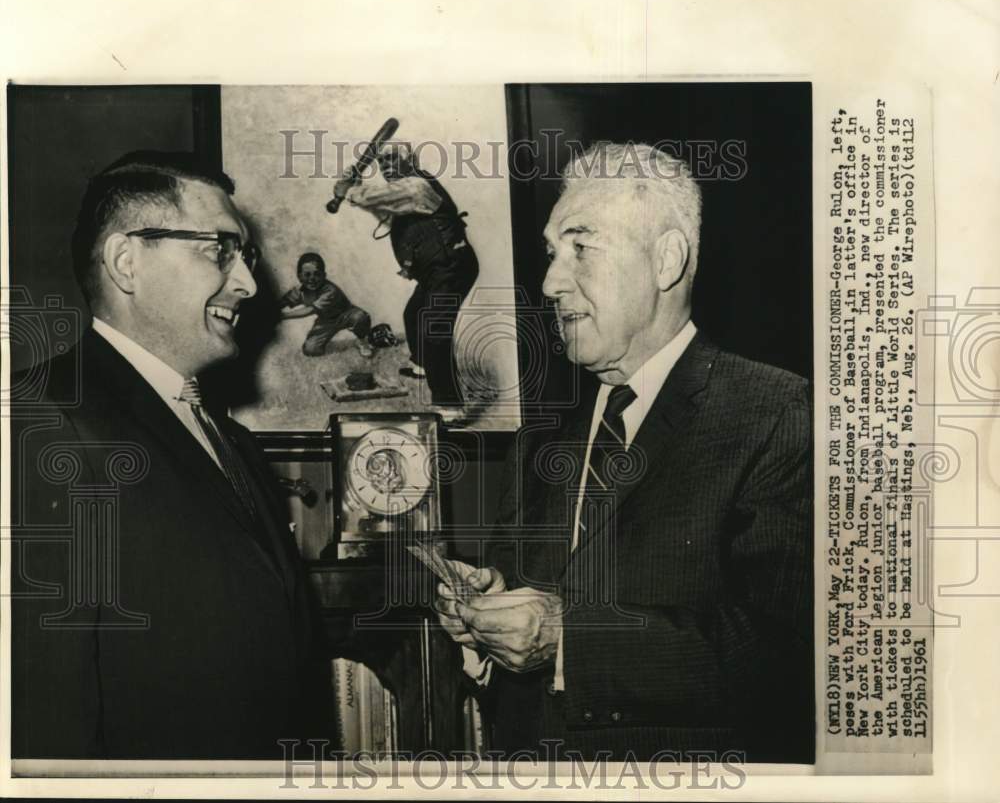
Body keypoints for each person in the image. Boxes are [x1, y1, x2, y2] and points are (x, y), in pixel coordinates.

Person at [435, 143, 813, 763]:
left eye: (581, 248)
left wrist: (565, 638)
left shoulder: (775, 412)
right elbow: (524, 650)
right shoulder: (542, 439)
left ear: (666, 260)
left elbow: (788, 656)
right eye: (553, 254)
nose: (551, 282)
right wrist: (485, 624)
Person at [10, 151, 329, 759]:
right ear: (127, 262)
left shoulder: (232, 442)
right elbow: (44, 724)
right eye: (218, 249)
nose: (248, 284)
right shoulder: (38, 421)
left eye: (246, 255)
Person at [347, 143, 479, 412]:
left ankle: (450, 406)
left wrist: (350, 191)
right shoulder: (401, 197)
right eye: (381, 162)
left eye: (392, 159)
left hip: (452, 267)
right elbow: (383, 207)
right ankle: (423, 365)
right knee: (414, 313)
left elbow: (387, 197)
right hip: (435, 271)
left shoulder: (418, 186)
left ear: (411, 160)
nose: (385, 165)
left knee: (434, 330)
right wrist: (356, 186)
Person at [279, 251, 374, 358]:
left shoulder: (330, 290)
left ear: (324, 275)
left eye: (317, 274)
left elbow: (310, 310)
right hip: (326, 321)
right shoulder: (298, 291)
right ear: (299, 276)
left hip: (346, 314)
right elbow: (281, 303)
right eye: (307, 274)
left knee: (360, 317)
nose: (312, 279)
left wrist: (282, 316)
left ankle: (362, 341)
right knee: (311, 350)